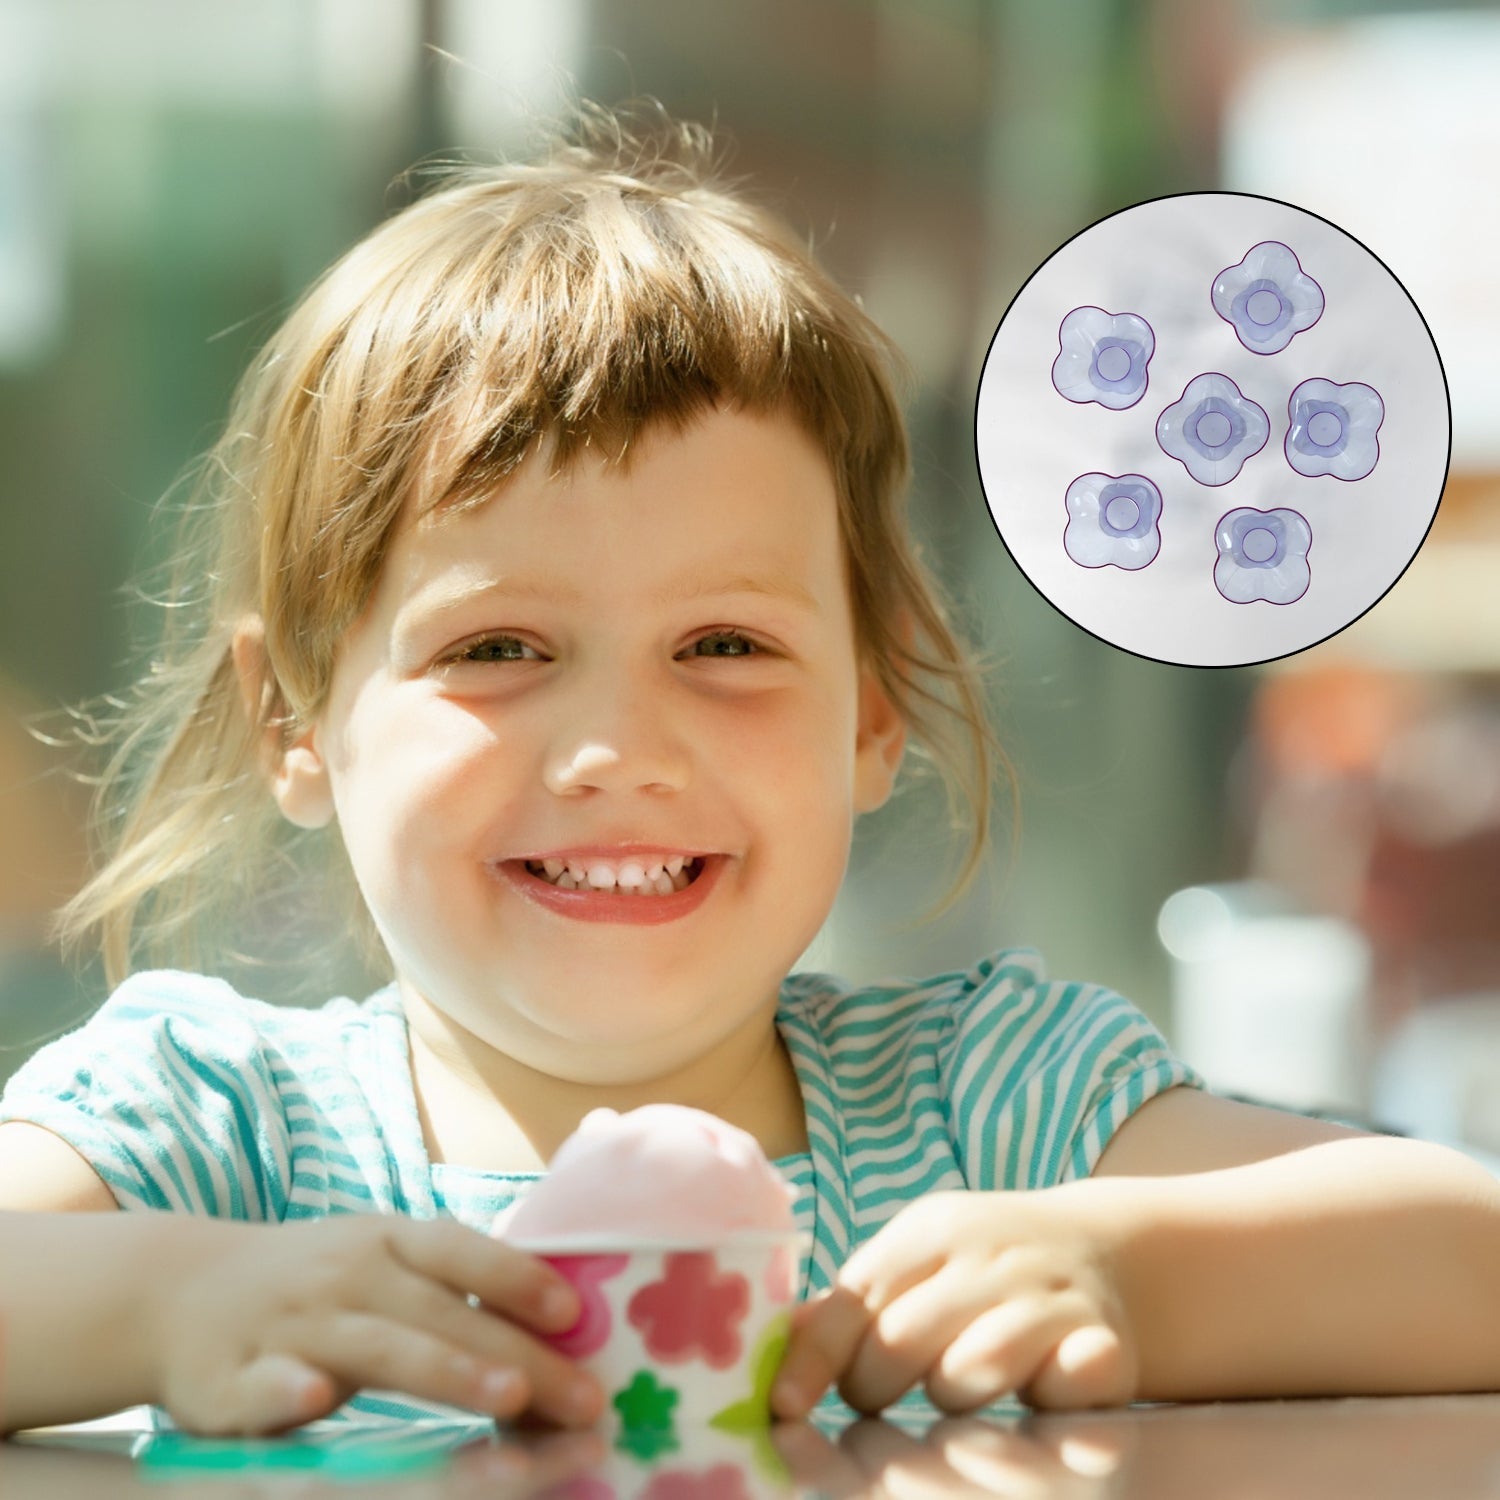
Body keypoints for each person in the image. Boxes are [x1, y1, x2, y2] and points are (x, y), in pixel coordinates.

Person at [3, 107, 1498, 1440]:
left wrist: (1127, 1272)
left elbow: (1473, 1257)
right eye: (501, 649)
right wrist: (167, 1299)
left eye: (722, 643)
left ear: (871, 708)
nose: (619, 752)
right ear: (295, 724)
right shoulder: (224, 1132)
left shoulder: (987, 1109)